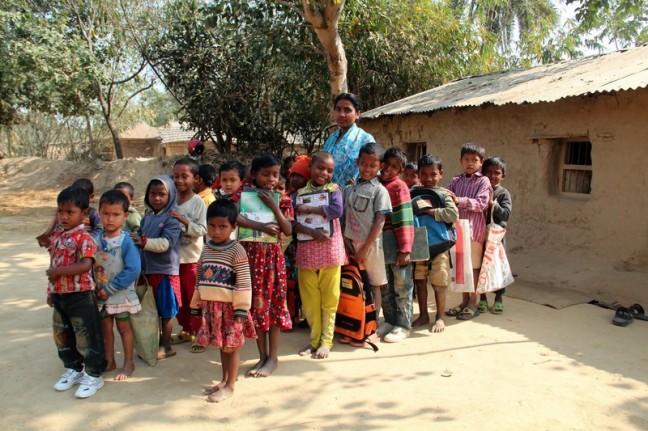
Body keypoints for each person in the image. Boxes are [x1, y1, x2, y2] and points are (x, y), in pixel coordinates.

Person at [231, 153, 293, 377]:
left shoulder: (282, 198)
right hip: (249, 259)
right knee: (257, 306)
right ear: (254, 174)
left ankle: (273, 357)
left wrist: (274, 207)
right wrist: (263, 227)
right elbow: (235, 217)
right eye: (266, 174)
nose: (271, 179)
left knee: (275, 306)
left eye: (275, 174)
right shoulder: (243, 194)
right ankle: (262, 356)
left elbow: (288, 230)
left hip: (272, 261)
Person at [191, 199, 256, 403]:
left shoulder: (237, 251)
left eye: (222, 227)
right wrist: (196, 303)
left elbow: (244, 282)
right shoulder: (207, 247)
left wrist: (241, 309)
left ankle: (230, 386)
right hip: (212, 308)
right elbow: (200, 276)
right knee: (221, 345)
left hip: (230, 308)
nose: (216, 231)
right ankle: (223, 380)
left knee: (231, 346)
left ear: (233, 227)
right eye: (211, 226)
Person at [47, 186, 106, 398]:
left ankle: (94, 374)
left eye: (69, 212)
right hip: (60, 295)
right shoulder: (58, 237)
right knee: (62, 335)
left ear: (84, 213)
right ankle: (73, 368)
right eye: (60, 211)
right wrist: (50, 290)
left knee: (87, 336)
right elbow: (53, 261)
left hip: (80, 295)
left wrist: (56, 273)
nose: (63, 216)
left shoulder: (85, 238)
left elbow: (84, 265)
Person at [293, 151, 346, 359]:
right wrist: (311, 231)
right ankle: (313, 341)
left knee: (330, 298)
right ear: (311, 168)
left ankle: (326, 341)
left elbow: (336, 210)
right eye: (320, 168)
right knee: (310, 300)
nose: (324, 173)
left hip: (330, 250)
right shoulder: (299, 194)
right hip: (307, 252)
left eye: (330, 170)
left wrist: (309, 209)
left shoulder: (334, 190)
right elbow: (293, 222)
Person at [342, 142, 392, 346]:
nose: (367, 169)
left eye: (372, 165)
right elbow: (344, 216)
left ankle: (372, 328)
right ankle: (353, 325)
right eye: (364, 164)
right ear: (358, 162)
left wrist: (364, 248)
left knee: (373, 285)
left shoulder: (380, 191)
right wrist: (345, 242)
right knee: (353, 285)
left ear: (380, 166)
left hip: (370, 246)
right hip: (349, 243)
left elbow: (380, 221)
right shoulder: (349, 188)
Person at [131, 175, 182, 360]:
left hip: (165, 272)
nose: (157, 198)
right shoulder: (147, 217)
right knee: (151, 310)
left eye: (162, 194)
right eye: (153, 194)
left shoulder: (172, 219)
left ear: (171, 196)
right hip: (148, 270)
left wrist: (143, 242)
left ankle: (166, 346)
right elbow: (139, 235)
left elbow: (165, 244)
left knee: (166, 312)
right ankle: (152, 342)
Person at [93, 190, 141, 380]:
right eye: (106, 214)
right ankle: (109, 360)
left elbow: (133, 269)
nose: (110, 219)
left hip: (119, 294)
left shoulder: (126, 241)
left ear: (125, 216)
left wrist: (110, 288)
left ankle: (128, 363)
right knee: (106, 329)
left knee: (124, 329)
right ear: (99, 213)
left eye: (116, 214)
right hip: (100, 295)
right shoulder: (95, 240)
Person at [410, 155, 458, 333]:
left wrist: (430, 211)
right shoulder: (413, 192)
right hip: (419, 245)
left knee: (439, 283)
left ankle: (439, 316)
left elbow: (453, 215)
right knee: (420, 281)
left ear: (441, 174)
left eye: (433, 174)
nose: (428, 178)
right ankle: (423, 314)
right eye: (424, 174)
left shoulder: (444, 194)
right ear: (418, 174)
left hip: (440, 246)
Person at [446, 143, 492, 320]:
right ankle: (463, 301)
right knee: (460, 269)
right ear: (461, 161)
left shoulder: (484, 181)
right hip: (457, 231)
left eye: (474, 160)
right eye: (466, 159)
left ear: (481, 162)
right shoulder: (456, 181)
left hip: (474, 233)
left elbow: (481, 204)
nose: (470, 163)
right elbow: (447, 197)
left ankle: (473, 303)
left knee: (473, 269)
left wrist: (459, 201)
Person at [168, 158, 208, 353]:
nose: (179, 180)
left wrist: (182, 220)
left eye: (185, 176)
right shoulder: (169, 200)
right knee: (179, 298)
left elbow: (202, 229)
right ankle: (186, 328)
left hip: (192, 260)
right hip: (172, 259)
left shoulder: (198, 202)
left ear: (196, 179)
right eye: (176, 176)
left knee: (195, 298)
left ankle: (201, 333)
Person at [378, 147, 415, 343]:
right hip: (381, 244)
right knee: (385, 286)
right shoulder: (375, 183)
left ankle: (404, 325)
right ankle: (390, 320)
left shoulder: (399, 186)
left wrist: (405, 249)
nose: (388, 169)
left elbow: (405, 219)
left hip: (397, 242)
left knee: (402, 286)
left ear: (400, 170)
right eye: (387, 164)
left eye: (395, 167)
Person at [477, 156, 512, 315]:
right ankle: (482, 298)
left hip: (496, 237)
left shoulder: (503, 193)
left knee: (497, 267)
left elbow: (506, 215)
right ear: (483, 173)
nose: (492, 176)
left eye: (496, 173)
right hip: (480, 235)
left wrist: (493, 204)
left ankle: (498, 298)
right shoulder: (480, 190)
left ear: (503, 175)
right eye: (488, 172)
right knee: (480, 266)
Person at [323, 93, 375, 186]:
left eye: (347, 110)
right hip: (327, 196)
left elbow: (373, 172)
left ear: (357, 114)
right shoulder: (330, 140)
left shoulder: (365, 140)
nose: (341, 114)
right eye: (338, 109)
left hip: (354, 196)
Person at [36, 178, 102, 247]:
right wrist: (48, 238)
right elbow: (58, 227)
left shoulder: (92, 213)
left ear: (91, 197)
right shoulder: (64, 215)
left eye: (70, 212)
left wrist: (87, 238)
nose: (77, 199)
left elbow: (100, 229)